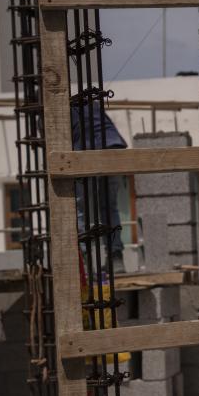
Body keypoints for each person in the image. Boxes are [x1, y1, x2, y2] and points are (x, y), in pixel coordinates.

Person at [71, 103, 127, 275]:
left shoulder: (63, 109)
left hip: (91, 152)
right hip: (114, 148)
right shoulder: (90, 103)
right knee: (110, 206)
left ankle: (86, 261)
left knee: (81, 208)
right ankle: (116, 258)